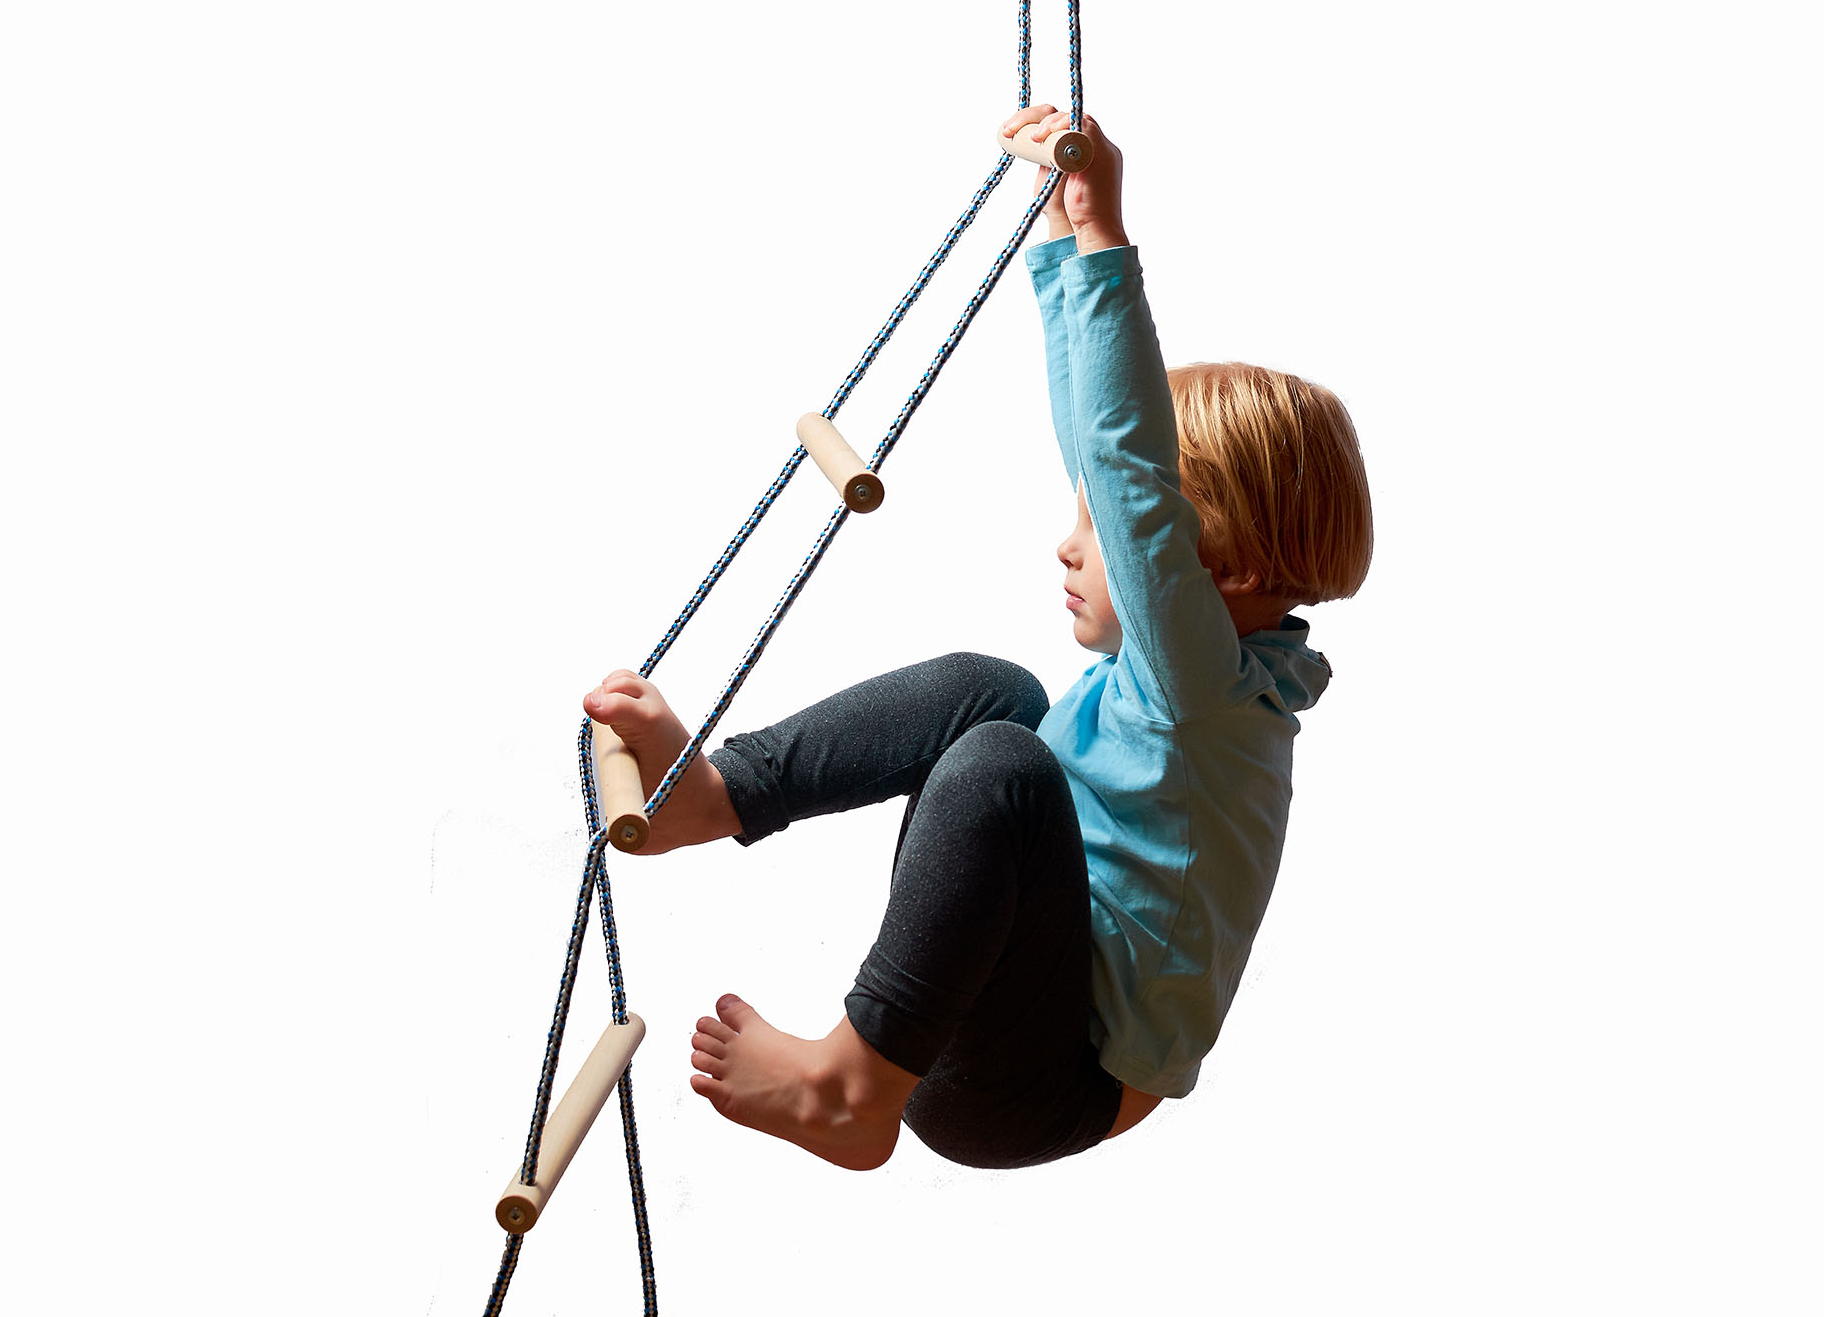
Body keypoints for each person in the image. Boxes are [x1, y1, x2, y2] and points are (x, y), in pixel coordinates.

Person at [581, 105, 1374, 1172]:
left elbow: (1123, 459)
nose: (1068, 543)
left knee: (1004, 763)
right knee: (991, 696)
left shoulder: (1204, 693)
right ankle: (714, 797)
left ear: (1216, 572)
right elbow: (1111, 453)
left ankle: (851, 1085)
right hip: (1026, 1009)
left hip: (1042, 1085)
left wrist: (1103, 241)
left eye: (1108, 536)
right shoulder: (1209, 675)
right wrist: (1056, 238)